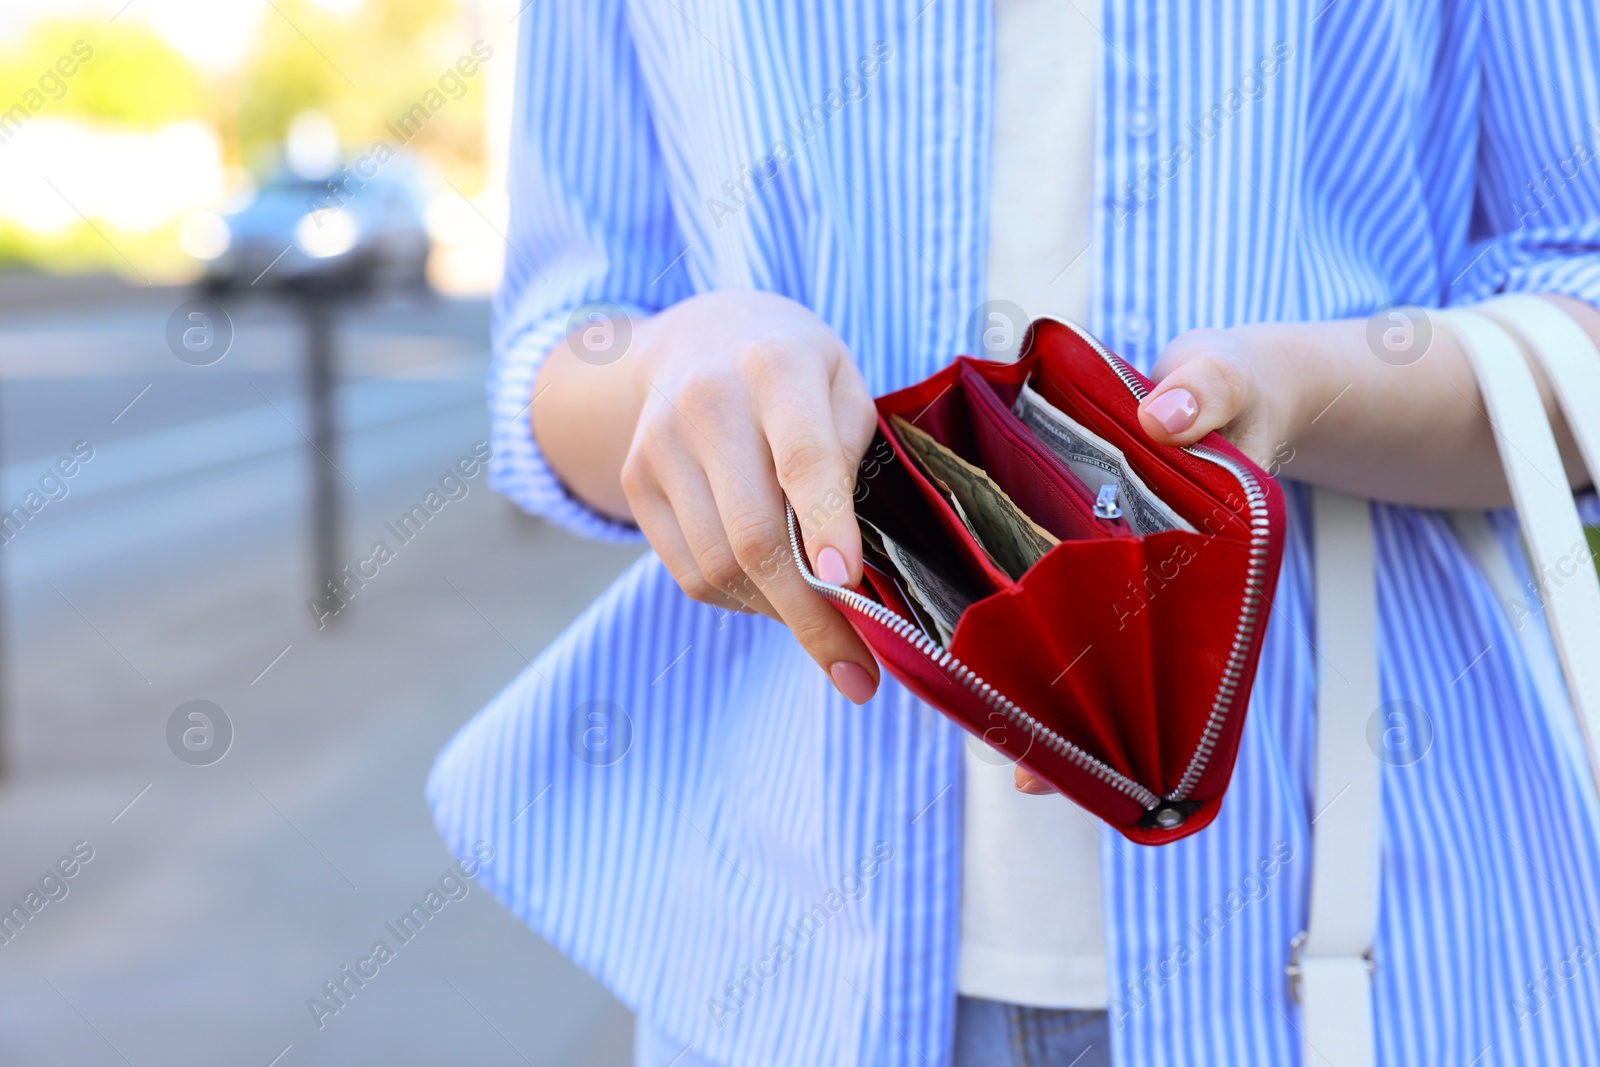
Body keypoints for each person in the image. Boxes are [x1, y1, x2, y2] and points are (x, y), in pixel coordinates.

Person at [428, 1, 1600, 1064]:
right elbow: (560, 341)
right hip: (786, 949)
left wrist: (1294, 389)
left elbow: (1580, 289)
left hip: (1381, 933)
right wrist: (674, 369)